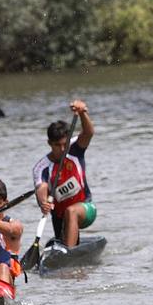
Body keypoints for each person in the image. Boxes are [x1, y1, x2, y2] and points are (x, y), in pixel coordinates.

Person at [32, 100, 96, 249]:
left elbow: (89, 132)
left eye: (64, 144)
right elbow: (41, 188)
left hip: (86, 208)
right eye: (57, 145)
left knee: (71, 211)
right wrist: (43, 203)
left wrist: (82, 113)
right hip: (59, 217)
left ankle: (70, 253)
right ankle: (70, 248)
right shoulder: (41, 167)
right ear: (49, 143)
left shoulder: (74, 149)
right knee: (66, 215)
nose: (62, 149)